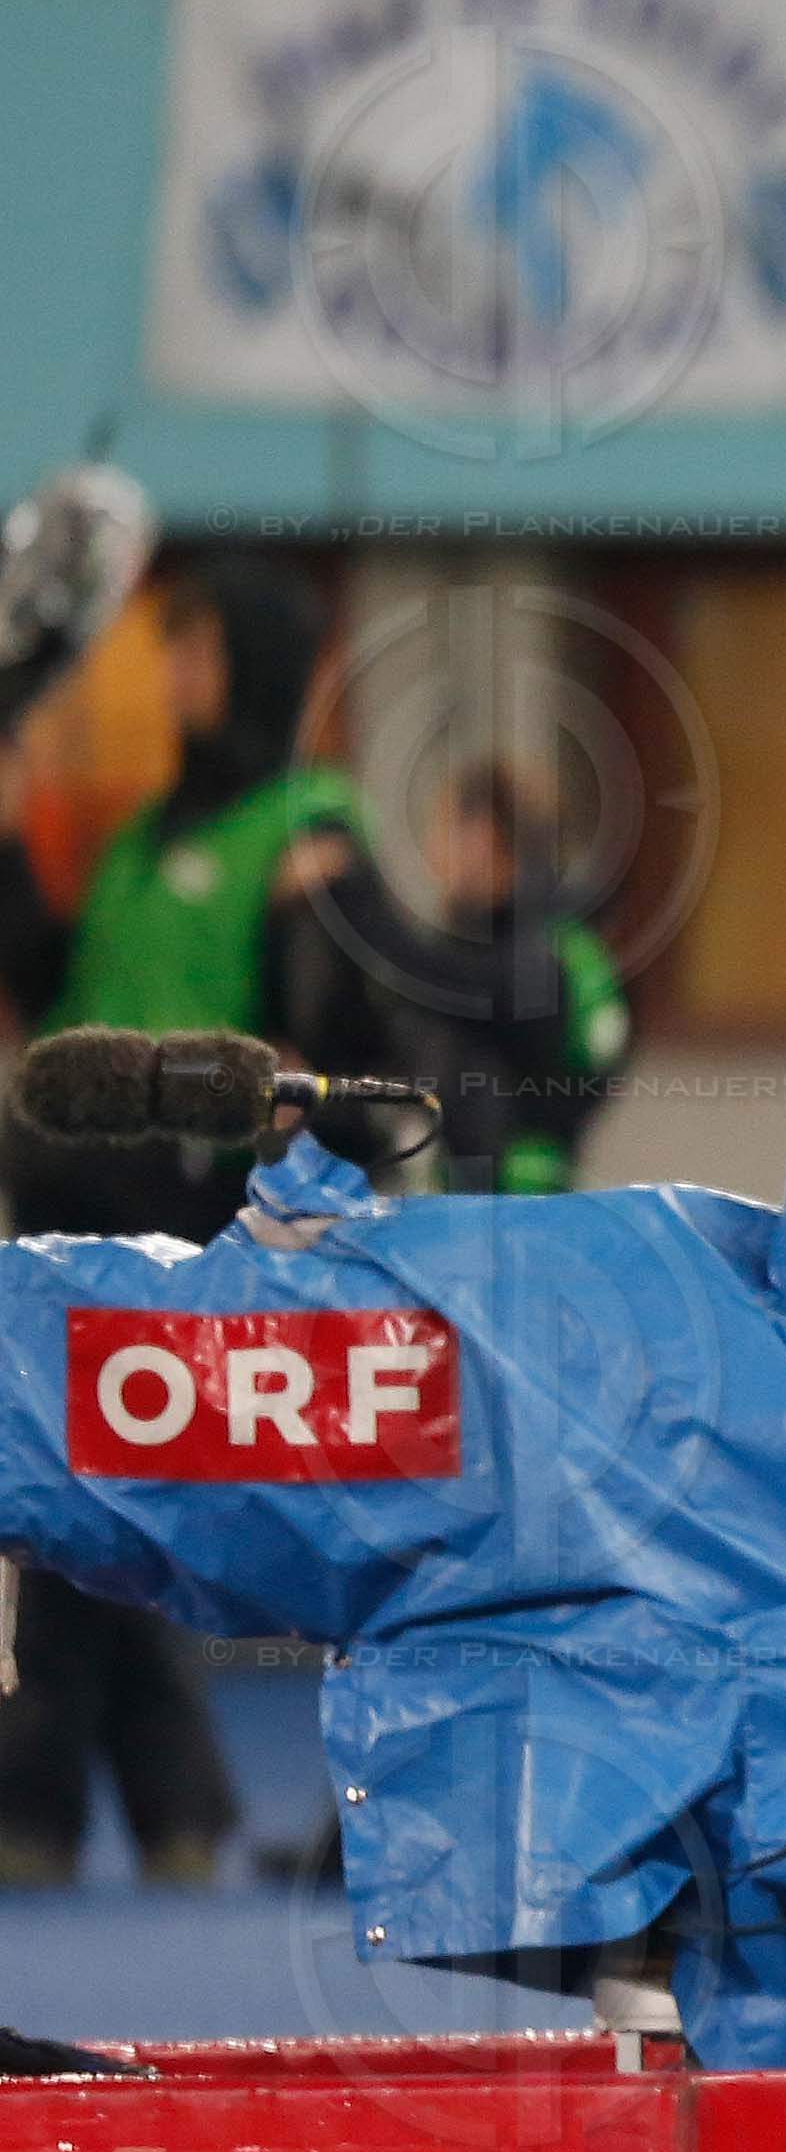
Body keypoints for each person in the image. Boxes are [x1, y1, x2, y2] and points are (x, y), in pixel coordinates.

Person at [0, 556, 365, 1891]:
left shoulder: (312, 828)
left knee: (78, 1510)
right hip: (72, 1223)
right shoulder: (150, 834)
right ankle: (178, 1815)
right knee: (91, 1514)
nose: (171, 679)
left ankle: (38, 1810)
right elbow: (52, 990)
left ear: (254, 666)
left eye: (195, 653)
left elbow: (325, 1054)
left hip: (192, 1246)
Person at [309, 755, 631, 1194]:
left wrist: (344, 885)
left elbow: (430, 977)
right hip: (492, 1183)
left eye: (442, 829)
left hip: (513, 1201)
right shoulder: (518, 931)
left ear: (483, 835)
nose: (432, 850)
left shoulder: (542, 947)